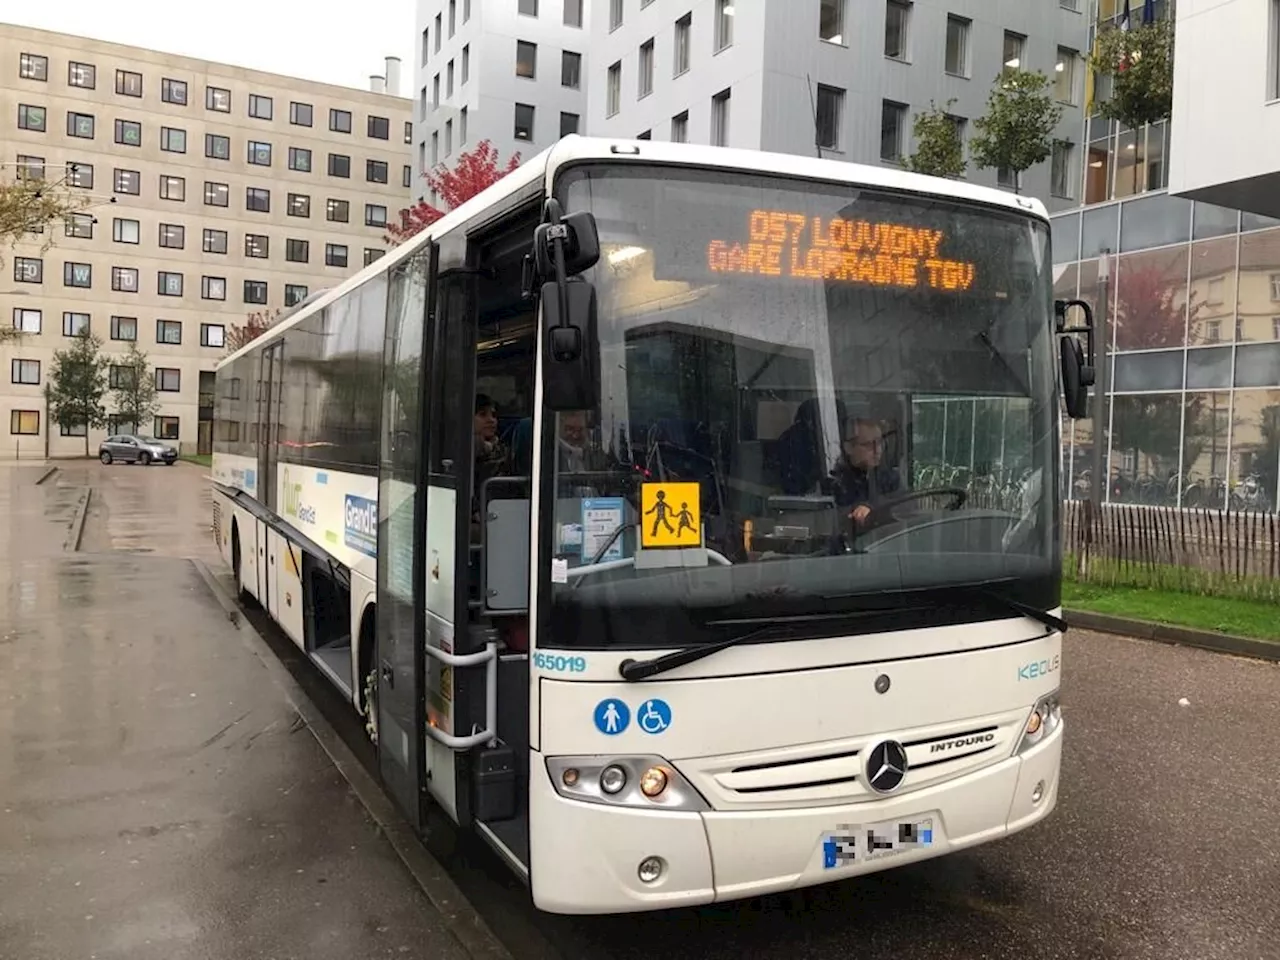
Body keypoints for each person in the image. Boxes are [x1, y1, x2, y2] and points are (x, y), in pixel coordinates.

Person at [831, 417, 902, 529]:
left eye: (879, 443)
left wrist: (873, 507)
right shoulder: (837, 481)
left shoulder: (889, 476)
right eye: (869, 445)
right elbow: (837, 518)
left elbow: (905, 506)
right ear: (848, 448)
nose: (877, 450)